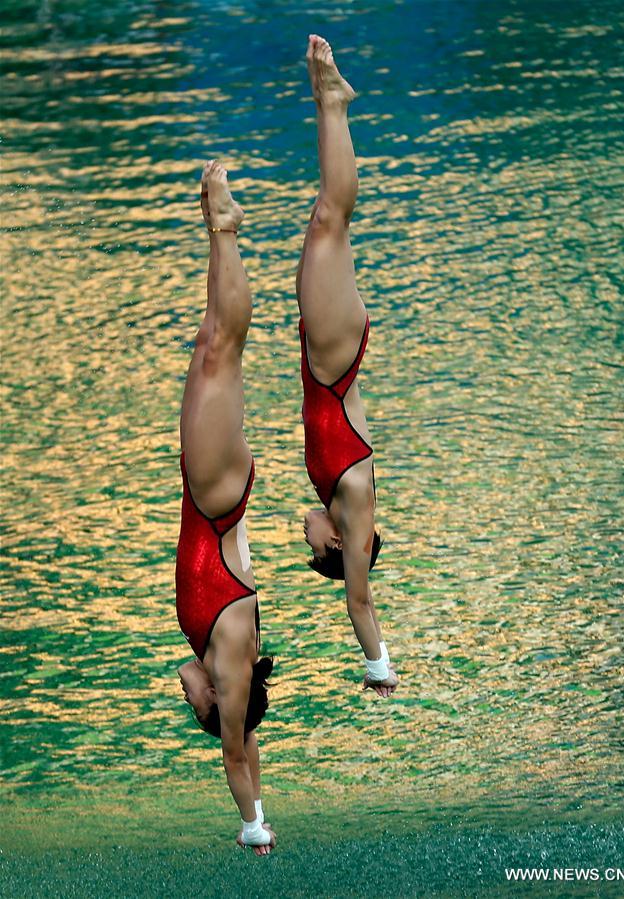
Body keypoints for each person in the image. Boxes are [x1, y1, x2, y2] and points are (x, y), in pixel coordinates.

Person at [176, 160, 276, 855]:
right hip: (214, 498)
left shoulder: (210, 657)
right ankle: (225, 231)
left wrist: (222, 707)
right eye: (198, 712)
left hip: (212, 495)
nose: (187, 700)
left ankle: (222, 233)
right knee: (221, 350)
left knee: (215, 346)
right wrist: (253, 824)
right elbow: (237, 753)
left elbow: (186, 678)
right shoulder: (231, 666)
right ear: (220, 707)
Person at [297, 36, 399, 698]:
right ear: (335, 545)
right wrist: (377, 670)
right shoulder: (351, 509)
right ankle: (333, 103)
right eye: (310, 547)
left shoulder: (335, 497)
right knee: (331, 219)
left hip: (327, 357)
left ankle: (331, 105)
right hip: (335, 360)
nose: (301, 537)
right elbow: (358, 602)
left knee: (324, 222)